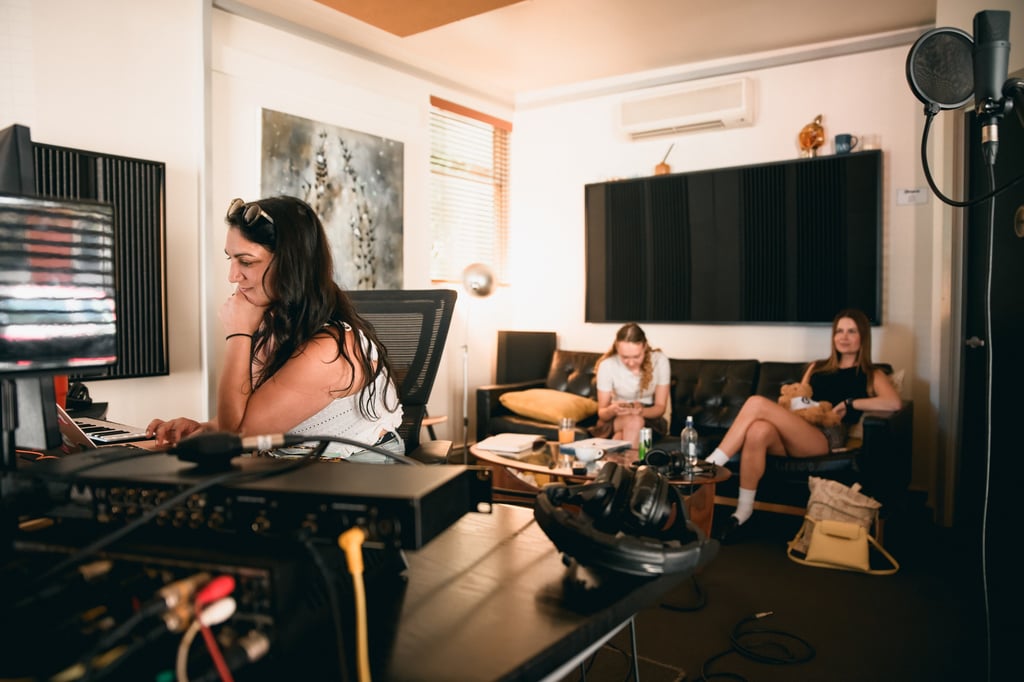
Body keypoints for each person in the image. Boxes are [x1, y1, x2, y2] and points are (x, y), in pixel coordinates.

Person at [146, 196, 404, 463]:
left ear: (290, 264)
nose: (232, 276)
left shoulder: (328, 350)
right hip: (294, 465)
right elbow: (247, 417)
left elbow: (238, 436)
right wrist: (204, 428)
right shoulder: (274, 324)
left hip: (358, 473)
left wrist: (238, 334)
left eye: (246, 262)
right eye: (231, 259)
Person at [705, 308, 901, 541]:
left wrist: (850, 403)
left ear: (863, 337)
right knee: (758, 430)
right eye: (839, 331)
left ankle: (709, 466)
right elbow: (799, 399)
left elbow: (894, 403)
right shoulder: (817, 367)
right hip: (798, 428)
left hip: (825, 437)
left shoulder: (871, 373)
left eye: (852, 331)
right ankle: (742, 513)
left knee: (756, 402)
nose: (844, 337)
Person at [590, 323, 671, 448]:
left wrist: (639, 411)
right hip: (616, 418)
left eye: (636, 356)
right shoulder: (607, 365)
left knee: (621, 435)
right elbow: (603, 413)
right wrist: (612, 409)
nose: (631, 363)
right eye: (625, 357)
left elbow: (660, 408)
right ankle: (634, 461)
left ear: (644, 347)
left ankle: (617, 460)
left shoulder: (659, 361)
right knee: (634, 422)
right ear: (617, 349)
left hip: (649, 418)